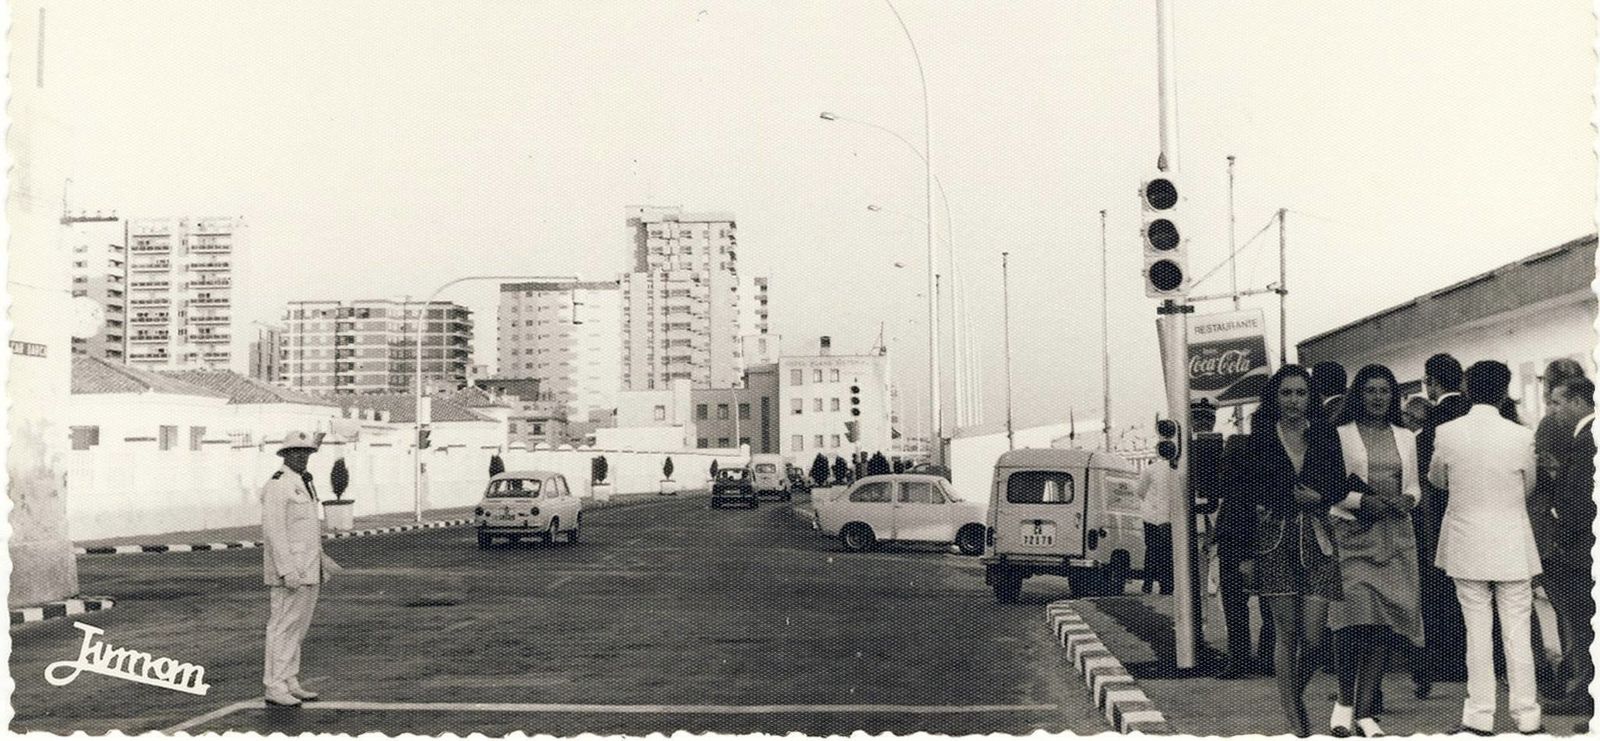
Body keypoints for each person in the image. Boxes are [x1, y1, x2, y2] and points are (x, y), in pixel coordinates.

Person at [1428, 361, 1543, 734]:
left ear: (1465, 387)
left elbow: (1438, 480)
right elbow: (1528, 486)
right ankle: (1527, 716)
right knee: (1517, 631)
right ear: (1504, 388)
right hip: (1511, 541)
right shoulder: (1521, 435)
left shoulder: (1446, 432)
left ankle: (1479, 717)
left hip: (1466, 541)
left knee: (1476, 633)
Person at [1235, 365, 1346, 736]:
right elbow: (1244, 496)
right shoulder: (1258, 438)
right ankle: (1294, 716)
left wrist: (1321, 496)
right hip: (1273, 539)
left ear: (1310, 396)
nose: (1294, 400)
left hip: (1317, 538)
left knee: (1314, 638)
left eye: (1300, 393)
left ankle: (1291, 694)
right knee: (1286, 632)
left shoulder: (1325, 433)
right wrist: (1245, 556)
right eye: (1286, 393)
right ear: (1275, 397)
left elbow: (1339, 482)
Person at [1325, 365, 1424, 737]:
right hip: (1353, 535)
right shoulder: (1339, 435)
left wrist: (1406, 500)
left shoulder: (1406, 436)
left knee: (1385, 624)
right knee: (1351, 621)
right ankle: (1344, 702)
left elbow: (1414, 486)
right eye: (1370, 391)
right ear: (1358, 395)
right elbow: (1332, 487)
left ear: (1393, 396)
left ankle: (1367, 712)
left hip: (1395, 536)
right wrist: (1363, 501)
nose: (1378, 397)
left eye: (1385, 391)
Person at [262, 430, 339, 707]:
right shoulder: (278, 484)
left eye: (306, 452)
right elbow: (275, 532)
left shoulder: (303, 482)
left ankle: (289, 679)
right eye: (296, 452)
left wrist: (321, 562)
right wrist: (286, 570)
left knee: (298, 629)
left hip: (309, 568)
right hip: (290, 572)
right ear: (285, 455)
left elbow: (305, 531)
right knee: (282, 627)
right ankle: (274, 685)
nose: (302, 457)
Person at [1413, 352, 1471, 692]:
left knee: (1439, 594)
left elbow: (1427, 479)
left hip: (1440, 522)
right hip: (1480, 517)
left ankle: (1448, 659)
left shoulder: (1430, 426)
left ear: (1432, 383)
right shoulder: (1474, 413)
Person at [1541, 376, 1595, 726]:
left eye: (1557, 403)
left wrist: (1561, 538)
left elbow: (1582, 501)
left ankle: (1585, 696)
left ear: (1577, 402)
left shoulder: (1588, 439)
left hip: (1580, 547)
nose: (1552, 410)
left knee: (1581, 622)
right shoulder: (1585, 437)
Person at [1136, 440, 1175, 596]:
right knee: (1168, 553)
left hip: (1151, 517)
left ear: (1158, 452)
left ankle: (1148, 583)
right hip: (1172, 518)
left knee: (1152, 551)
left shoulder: (1150, 470)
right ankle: (1167, 585)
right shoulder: (1177, 469)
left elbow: (1140, 492)